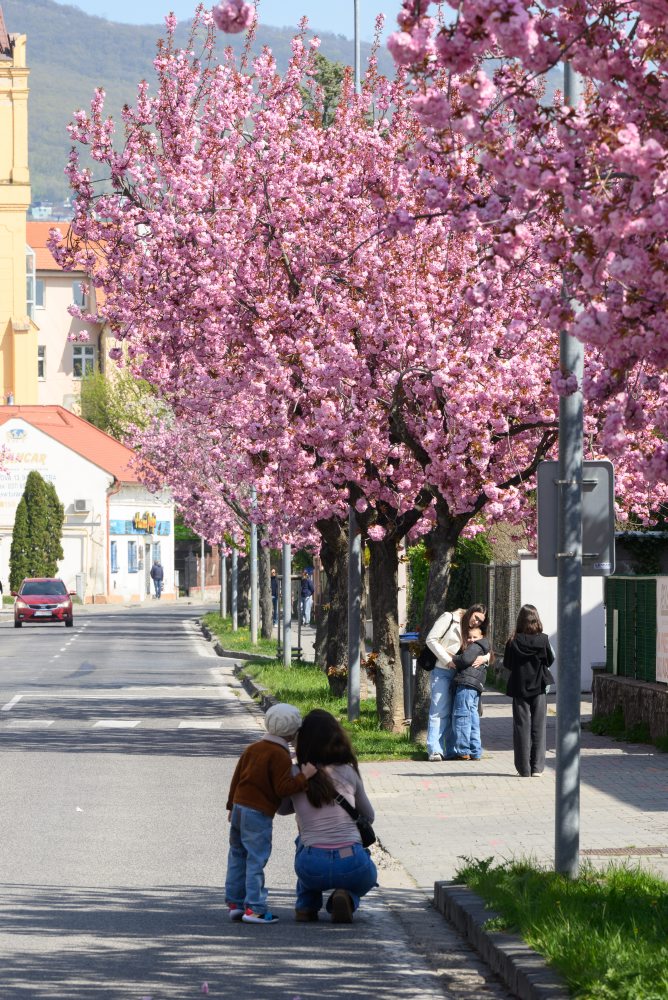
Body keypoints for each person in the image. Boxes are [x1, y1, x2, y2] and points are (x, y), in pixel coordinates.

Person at [279, 709, 377, 924]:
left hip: (312, 865)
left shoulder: (296, 774)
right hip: (351, 862)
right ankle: (347, 898)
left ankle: (306, 906)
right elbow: (369, 816)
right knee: (368, 873)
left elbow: (282, 809)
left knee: (302, 840)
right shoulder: (348, 772)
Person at [225, 703, 317, 924]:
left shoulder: (253, 748)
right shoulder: (280, 755)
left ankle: (236, 903)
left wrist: (230, 806)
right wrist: (304, 776)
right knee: (256, 859)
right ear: (293, 733)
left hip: (239, 807)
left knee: (237, 855)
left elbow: (237, 778)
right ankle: (255, 908)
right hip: (258, 813)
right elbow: (283, 788)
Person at [425, 603, 489, 761]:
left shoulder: (474, 629)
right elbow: (431, 639)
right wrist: (447, 660)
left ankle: (453, 750)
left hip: (461, 674)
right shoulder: (449, 618)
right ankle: (435, 750)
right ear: (471, 611)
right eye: (476, 618)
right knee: (439, 710)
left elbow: (484, 646)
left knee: (456, 713)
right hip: (442, 670)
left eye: (480, 621)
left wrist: (485, 658)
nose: (476, 622)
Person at [504, 604, 555, 778]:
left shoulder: (513, 641)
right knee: (539, 727)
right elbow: (549, 660)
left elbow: (508, 664)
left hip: (519, 687)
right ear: (537, 619)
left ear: (520, 620)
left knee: (521, 727)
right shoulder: (543, 640)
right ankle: (537, 767)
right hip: (539, 687)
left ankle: (523, 768)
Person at [450, 625, 491, 761]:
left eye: (475, 637)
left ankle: (463, 751)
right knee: (472, 718)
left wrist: (452, 657)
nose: (472, 639)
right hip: (474, 685)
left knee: (462, 716)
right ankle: (475, 751)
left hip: (466, 684)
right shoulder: (484, 648)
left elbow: (464, 660)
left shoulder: (476, 646)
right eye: (469, 637)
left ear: (481, 637)